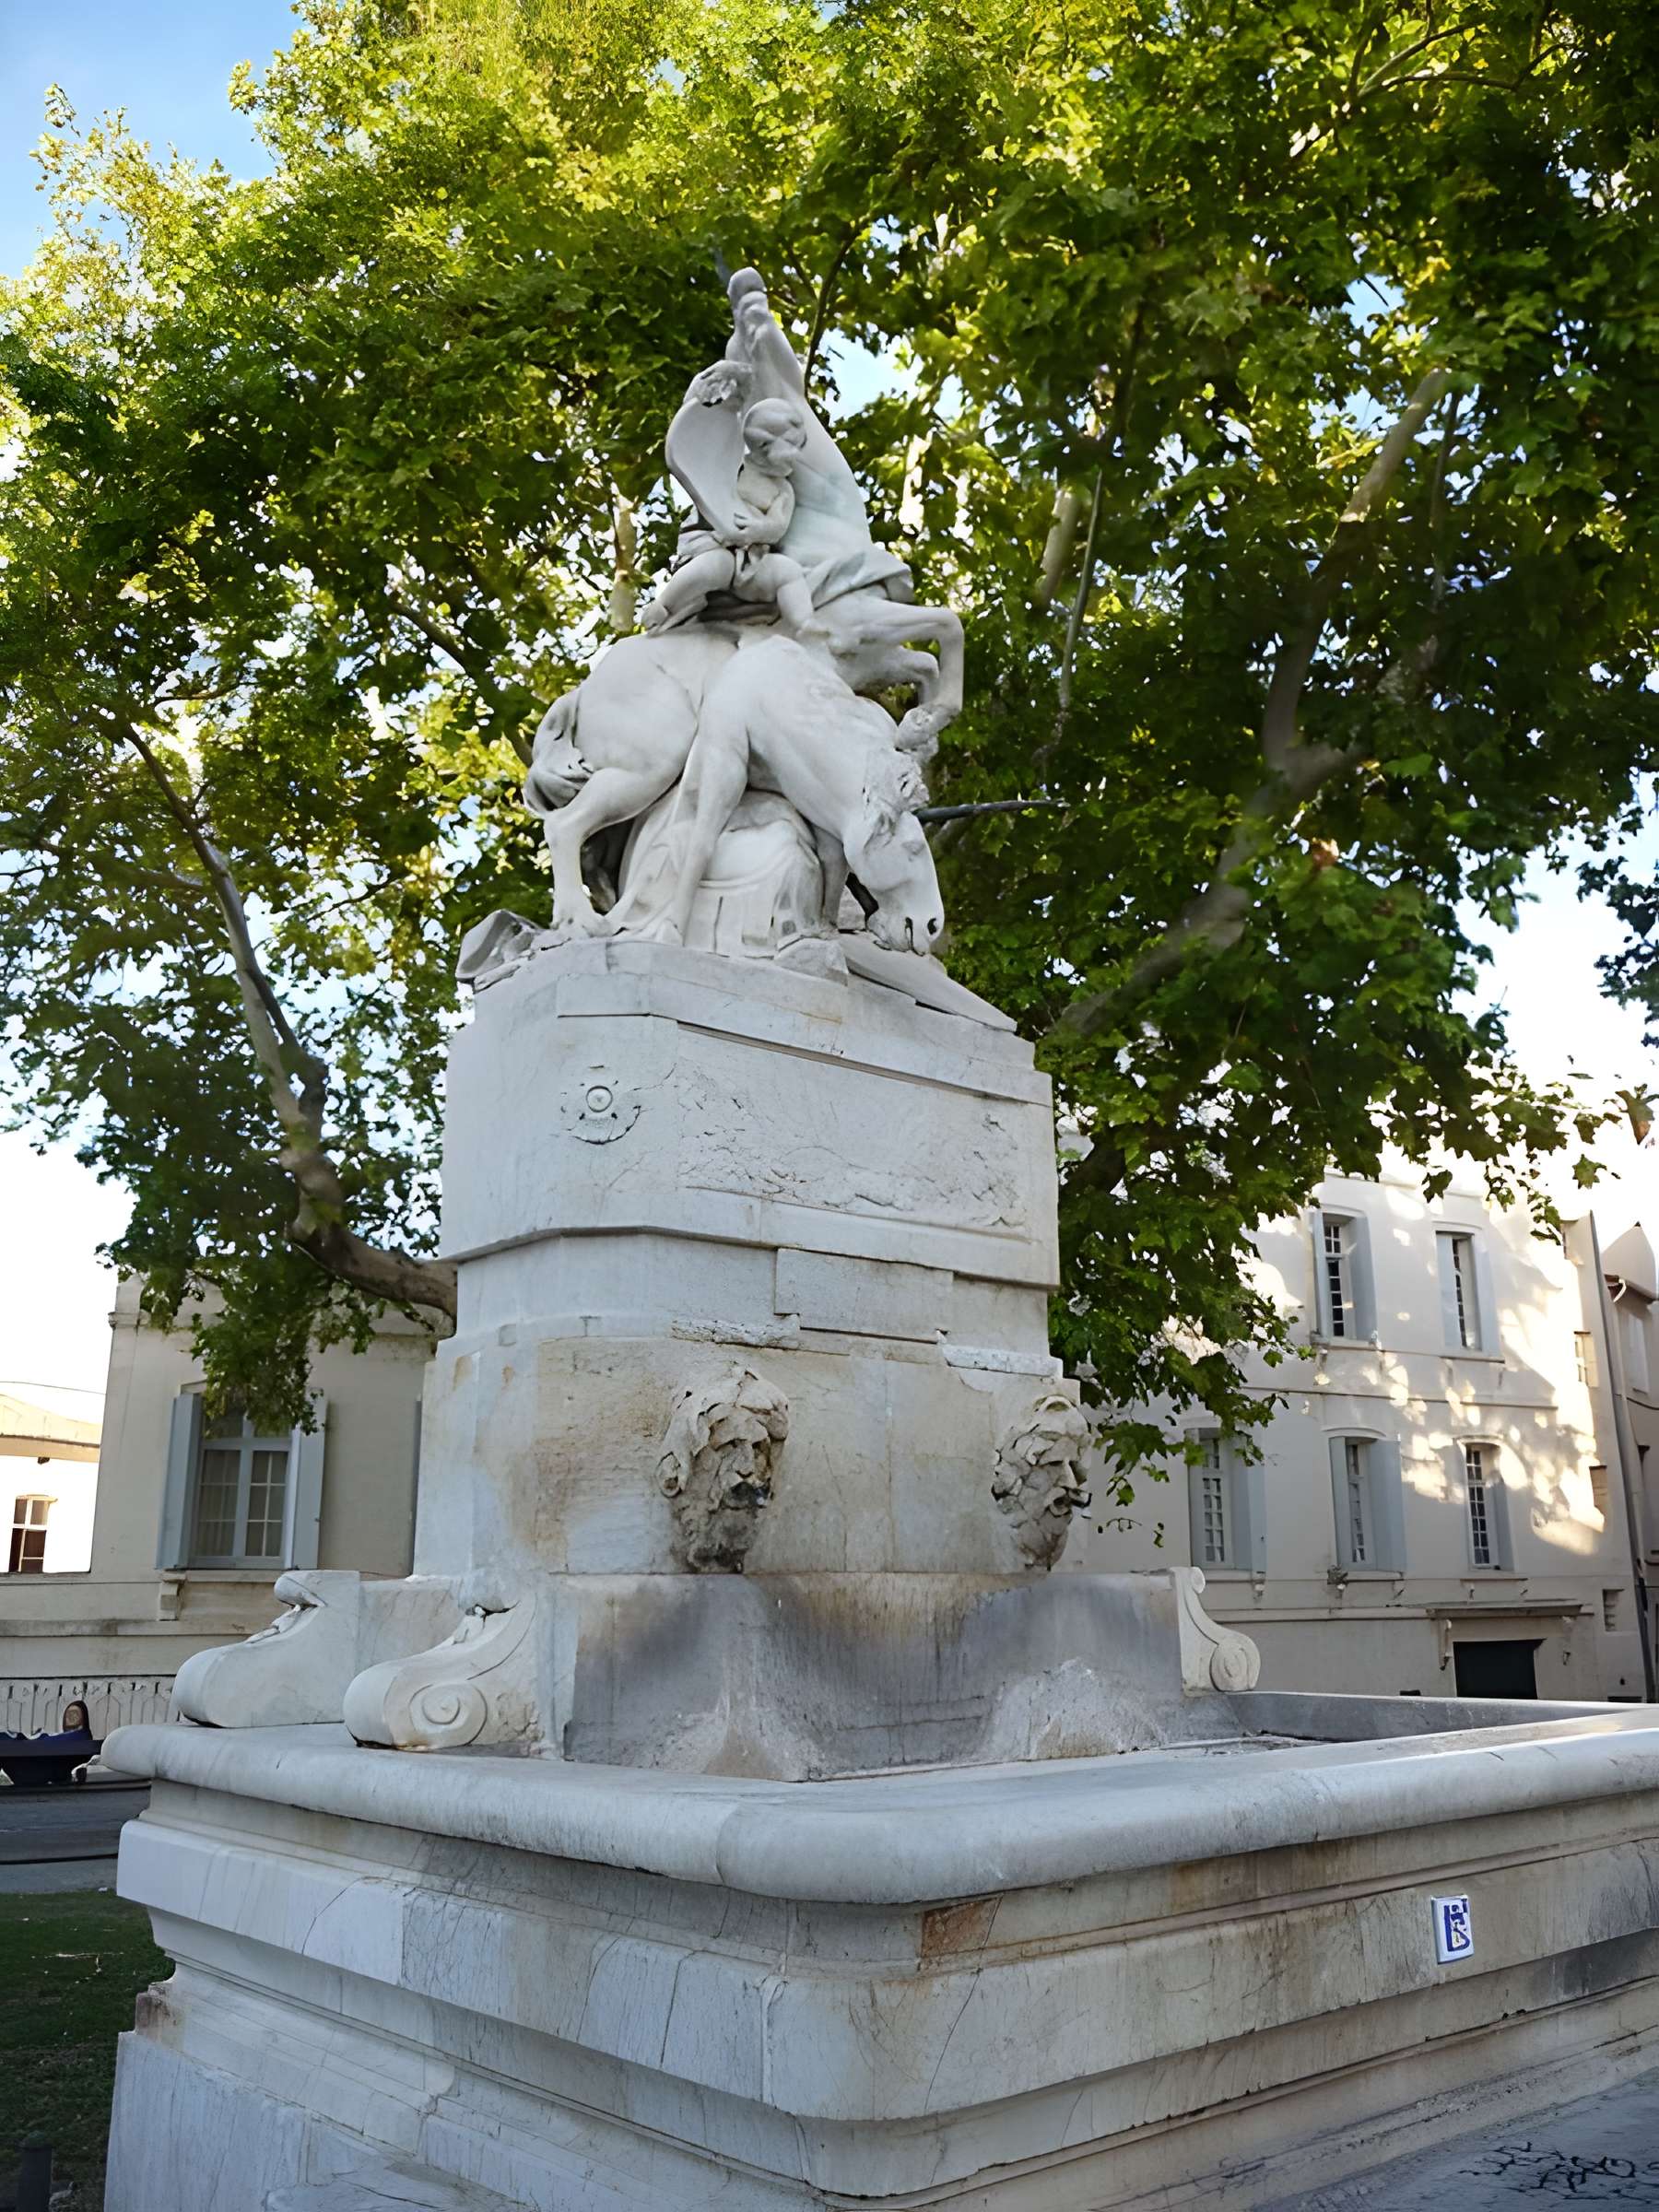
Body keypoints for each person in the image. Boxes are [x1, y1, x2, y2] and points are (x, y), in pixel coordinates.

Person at [641, 399, 827, 641]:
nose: (795, 456)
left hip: (751, 559)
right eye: (792, 445)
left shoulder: (783, 490)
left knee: (788, 571)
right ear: (762, 445)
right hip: (715, 543)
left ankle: (804, 622)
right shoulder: (733, 466)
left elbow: (778, 526)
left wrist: (759, 530)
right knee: (710, 567)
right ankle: (664, 606)